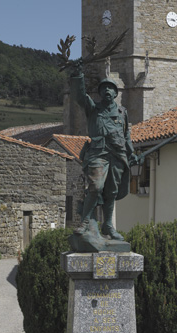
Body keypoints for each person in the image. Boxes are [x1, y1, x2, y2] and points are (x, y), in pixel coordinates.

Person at [71, 68, 138, 241]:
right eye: (103, 88)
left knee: (111, 191)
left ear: (116, 93)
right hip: (97, 153)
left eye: (110, 88)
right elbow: (79, 96)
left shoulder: (123, 112)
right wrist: (78, 75)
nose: (107, 91)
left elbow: (126, 135)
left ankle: (108, 225)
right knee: (96, 186)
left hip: (117, 155)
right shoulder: (93, 108)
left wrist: (132, 153)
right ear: (100, 93)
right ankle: (85, 221)